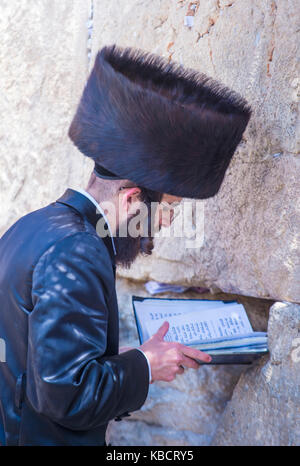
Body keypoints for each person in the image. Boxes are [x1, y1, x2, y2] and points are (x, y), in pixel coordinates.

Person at [0, 44, 251, 446]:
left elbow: (43, 366)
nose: (168, 221)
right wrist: (146, 366)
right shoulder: (77, 251)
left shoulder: (32, 227)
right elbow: (67, 396)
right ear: (133, 198)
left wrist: (135, 358)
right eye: (169, 207)